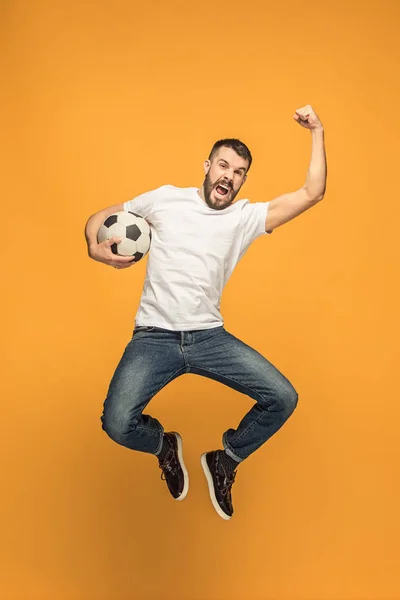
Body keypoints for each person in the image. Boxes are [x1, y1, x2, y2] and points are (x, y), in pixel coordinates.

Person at [84, 105, 327, 520]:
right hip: (154, 337)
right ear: (208, 166)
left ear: (243, 180)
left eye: (239, 172)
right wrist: (95, 248)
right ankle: (164, 446)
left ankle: (226, 459)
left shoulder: (247, 217)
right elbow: (98, 218)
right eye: (223, 165)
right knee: (117, 424)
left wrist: (317, 131)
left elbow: (312, 193)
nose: (229, 176)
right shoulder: (164, 200)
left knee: (283, 397)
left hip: (209, 339)